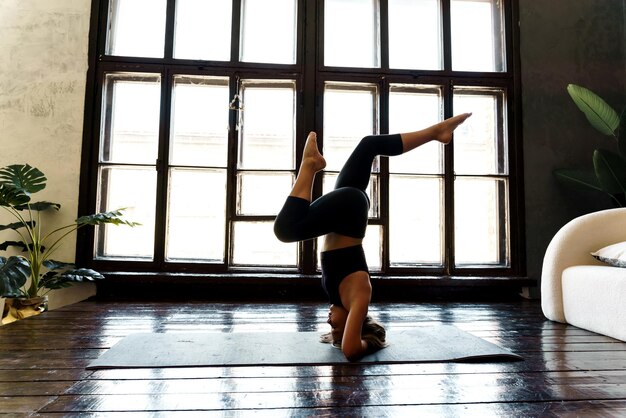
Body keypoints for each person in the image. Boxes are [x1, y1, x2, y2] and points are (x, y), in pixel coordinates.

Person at [274, 113, 472, 361]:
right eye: (335, 327)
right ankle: (310, 166)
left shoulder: (338, 296)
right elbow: (351, 350)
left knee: (370, 144)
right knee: (285, 230)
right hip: (348, 209)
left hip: (347, 211)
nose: (328, 321)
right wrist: (363, 341)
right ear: (352, 324)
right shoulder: (359, 295)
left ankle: (436, 132)